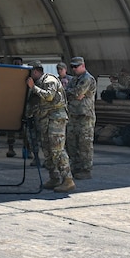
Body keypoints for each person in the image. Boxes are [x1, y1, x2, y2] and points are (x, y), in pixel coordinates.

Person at [26, 60, 75, 192]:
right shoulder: (38, 83)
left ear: (36, 71)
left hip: (56, 119)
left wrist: (33, 88)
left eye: (30, 73)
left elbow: (49, 96)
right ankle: (54, 178)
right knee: (47, 151)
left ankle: (68, 179)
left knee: (57, 149)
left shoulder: (49, 80)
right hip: (45, 120)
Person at [65, 56, 97, 179]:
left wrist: (70, 92)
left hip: (85, 117)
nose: (74, 69)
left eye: (76, 66)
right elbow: (66, 92)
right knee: (72, 143)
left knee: (85, 144)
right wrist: (71, 92)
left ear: (83, 66)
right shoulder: (74, 80)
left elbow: (78, 94)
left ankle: (86, 169)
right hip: (73, 115)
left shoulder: (87, 79)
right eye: (72, 66)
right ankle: (75, 167)